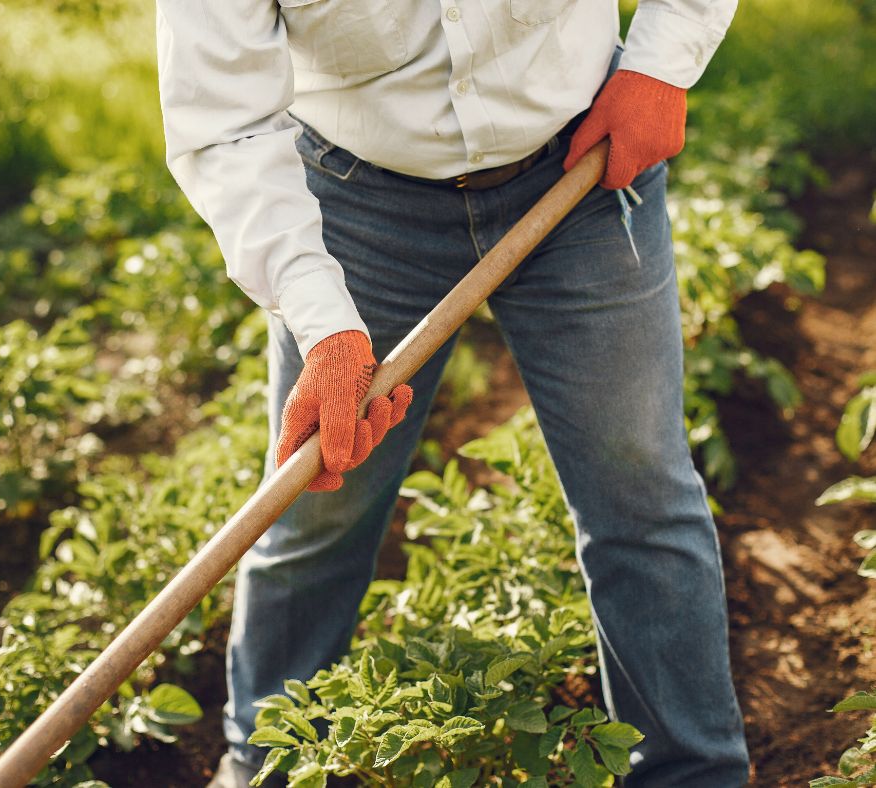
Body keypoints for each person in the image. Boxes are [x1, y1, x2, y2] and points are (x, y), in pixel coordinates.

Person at [155, 1, 749, 785]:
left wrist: (660, 65)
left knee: (638, 488)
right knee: (320, 497)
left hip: (580, 160)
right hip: (357, 199)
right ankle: (268, 764)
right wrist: (324, 321)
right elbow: (223, 121)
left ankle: (692, 774)